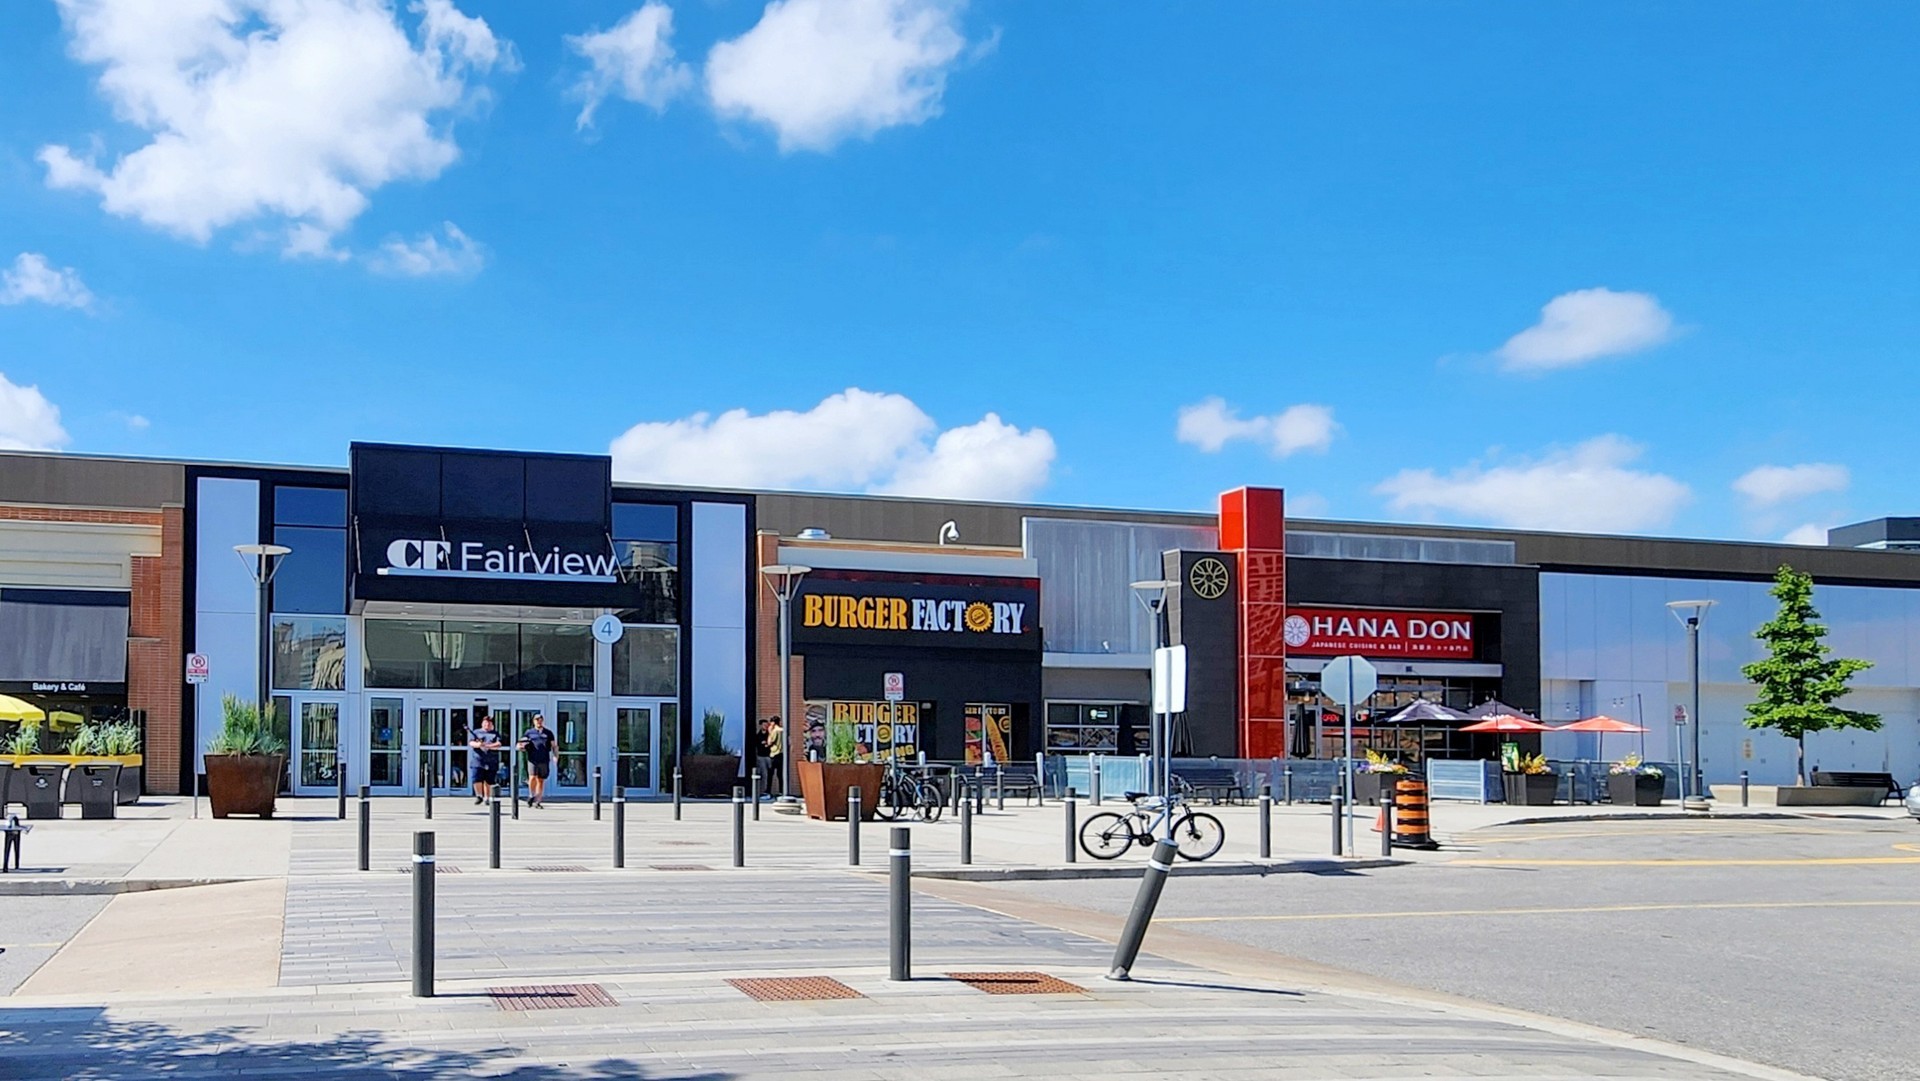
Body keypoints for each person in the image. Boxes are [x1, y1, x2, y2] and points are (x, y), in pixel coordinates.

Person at [518, 713, 555, 808]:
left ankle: (538, 801)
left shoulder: (548, 733)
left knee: (541, 780)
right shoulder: (529, 732)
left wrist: (556, 755)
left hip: (544, 759)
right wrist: (520, 747)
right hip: (532, 759)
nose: (539, 721)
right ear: (533, 721)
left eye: (540, 720)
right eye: (537, 720)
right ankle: (531, 795)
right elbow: (521, 743)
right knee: (532, 777)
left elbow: (554, 745)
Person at [469, 716, 502, 804]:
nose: (487, 724)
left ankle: (487, 797)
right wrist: (478, 745)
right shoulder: (476, 732)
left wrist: (487, 746)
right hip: (478, 760)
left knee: (489, 780)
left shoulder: (495, 734)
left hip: (491, 761)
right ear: (482, 724)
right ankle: (479, 796)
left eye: (489, 723)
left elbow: (498, 744)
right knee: (476, 778)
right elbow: (471, 743)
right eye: (485, 722)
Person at [765, 714, 785, 796]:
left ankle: (768, 791)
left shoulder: (775, 731)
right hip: (782, 754)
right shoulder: (783, 730)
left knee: (770, 774)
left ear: (773, 723)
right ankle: (781, 791)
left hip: (774, 754)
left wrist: (769, 733)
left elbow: (770, 742)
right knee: (780, 774)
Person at [753, 719, 773, 800]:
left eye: (766, 725)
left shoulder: (770, 735)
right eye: (764, 725)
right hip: (761, 756)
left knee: (770, 774)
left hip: (769, 756)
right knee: (764, 774)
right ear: (760, 725)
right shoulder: (758, 736)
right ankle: (763, 791)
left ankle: (768, 790)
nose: (765, 726)